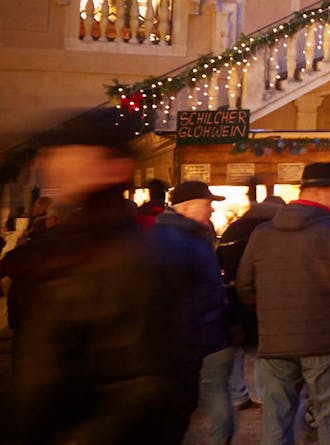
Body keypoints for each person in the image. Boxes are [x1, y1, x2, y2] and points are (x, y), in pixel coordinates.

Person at [6, 108, 173, 445]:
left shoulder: (125, 257)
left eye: (73, 153)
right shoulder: (70, 243)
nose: (54, 163)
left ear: (113, 168)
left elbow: (139, 385)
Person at [238, 162, 330, 445]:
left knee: (277, 420)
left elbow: (245, 287)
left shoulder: (263, 233)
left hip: (276, 343)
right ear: (326, 192)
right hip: (325, 342)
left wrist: (270, 317)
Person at [148, 180, 230, 445]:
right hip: (180, 346)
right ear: (188, 207)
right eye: (208, 205)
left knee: (182, 411)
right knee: (173, 414)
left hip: (192, 344)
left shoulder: (191, 237)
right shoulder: (173, 240)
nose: (212, 211)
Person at [215, 180, 283, 412]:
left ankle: (237, 395)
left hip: (233, 296)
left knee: (236, 348)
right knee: (265, 348)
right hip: (265, 296)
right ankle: (265, 394)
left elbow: (219, 263)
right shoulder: (273, 231)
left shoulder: (233, 230)